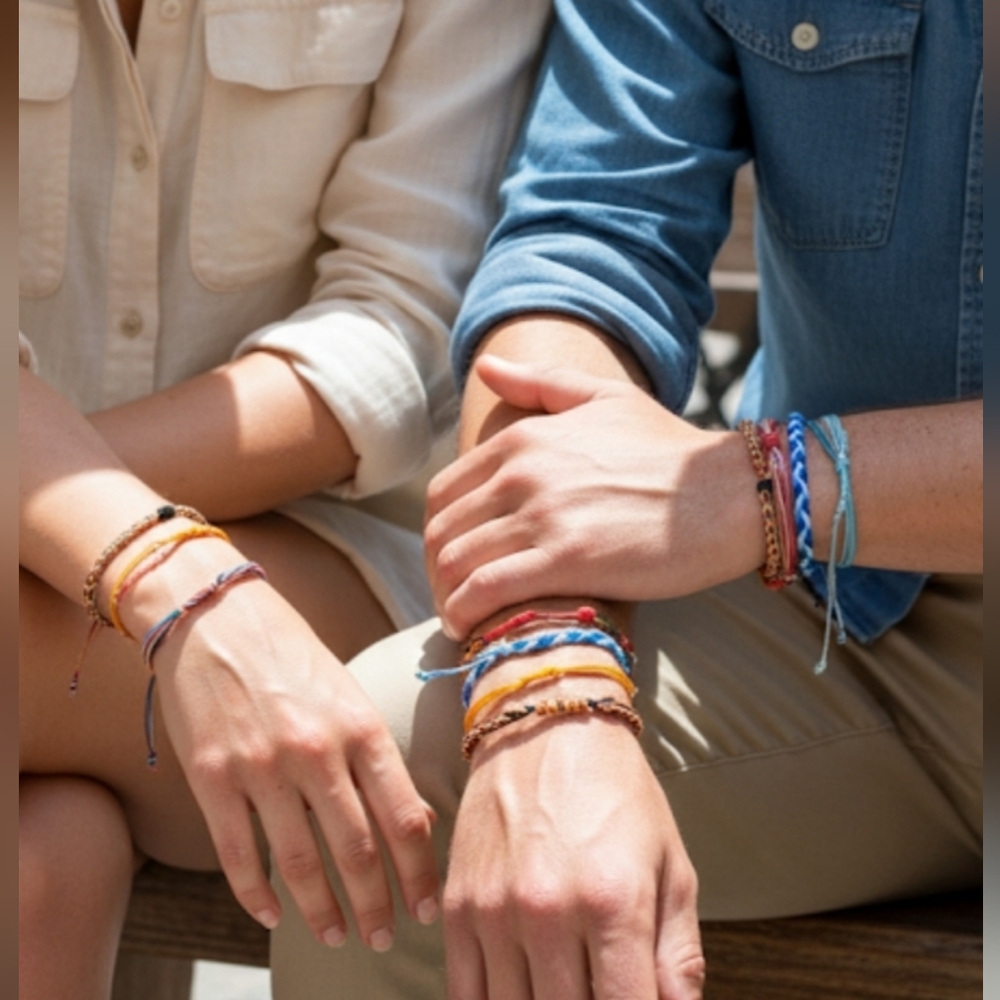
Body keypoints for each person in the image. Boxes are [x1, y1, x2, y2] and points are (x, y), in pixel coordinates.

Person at [271, 0, 982, 997]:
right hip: (855, 615)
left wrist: (768, 485)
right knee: (395, 789)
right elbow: (585, 237)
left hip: (781, 513)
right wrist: (550, 672)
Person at [17, 0, 552, 996]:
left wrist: (66, 514)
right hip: (110, 640)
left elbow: (401, 320)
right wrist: (142, 564)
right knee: (44, 862)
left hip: (317, 566)